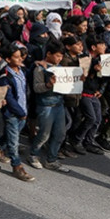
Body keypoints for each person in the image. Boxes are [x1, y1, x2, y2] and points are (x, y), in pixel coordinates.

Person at [27, 40, 70, 173]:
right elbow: (36, 88)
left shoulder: (61, 69)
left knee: (60, 133)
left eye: (61, 56)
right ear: (49, 54)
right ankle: (33, 155)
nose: (60, 58)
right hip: (45, 105)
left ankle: (51, 159)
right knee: (44, 134)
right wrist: (48, 85)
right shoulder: (40, 68)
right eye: (57, 55)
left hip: (59, 104)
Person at [0, 43, 35, 182]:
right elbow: (8, 97)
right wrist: (19, 112)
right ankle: (17, 166)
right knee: (14, 141)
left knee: (11, 135)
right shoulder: (5, 75)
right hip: (12, 113)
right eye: (16, 57)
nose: (20, 59)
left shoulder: (21, 71)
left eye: (20, 57)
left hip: (23, 110)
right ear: (8, 59)